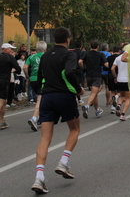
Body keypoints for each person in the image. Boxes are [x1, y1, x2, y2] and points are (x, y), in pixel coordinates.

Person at [31, 27, 84, 194]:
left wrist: (41, 90)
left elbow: (37, 79)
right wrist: (78, 89)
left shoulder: (45, 55)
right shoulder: (69, 55)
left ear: (53, 39)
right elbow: (69, 72)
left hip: (47, 97)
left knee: (45, 138)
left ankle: (39, 177)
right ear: (68, 39)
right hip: (64, 96)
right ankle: (63, 161)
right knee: (75, 128)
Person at [79, 40, 108, 118]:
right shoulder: (100, 54)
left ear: (90, 46)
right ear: (98, 47)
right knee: (94, 94)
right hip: (97, 76)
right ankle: (87, 106)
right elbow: (106, 64)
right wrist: (103, 64)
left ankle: (97, 110)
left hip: (88, 76)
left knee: (94, 94)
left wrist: (83, 67)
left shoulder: (86, 53)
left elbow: (80, 61)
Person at [24, 41, 47, 131]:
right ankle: (34, 118)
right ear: (45, 49)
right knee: (40, 100)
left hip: (33, 79)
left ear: (36, 49)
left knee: (40, 98)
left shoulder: (31, 56)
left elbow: (25, 67)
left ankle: (40, 118)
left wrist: (27, 76)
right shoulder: (46, 56)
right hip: (43, 79)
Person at [0, 43, 21, 129]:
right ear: (5, 49)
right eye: (10, 48)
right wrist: (13, 70)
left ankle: (1, 121)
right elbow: (18, 69)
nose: (12, 50)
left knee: (4, 102)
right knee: (2, 101)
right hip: (4, 81)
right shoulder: (9, 57)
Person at [111, 47, 130, 121]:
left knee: (122, 96)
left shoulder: (118, 58)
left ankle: (119, 105)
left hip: (119, 79)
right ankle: (122, 114)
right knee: (128, 98)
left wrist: (115, 77)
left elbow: (112, 68)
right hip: (127, 80)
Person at [73, 41, 85, 106]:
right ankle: (79, 99)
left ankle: (76, 98)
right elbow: (81, 61)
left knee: (75, 83)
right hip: (79, 70)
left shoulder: (72, 52)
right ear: (81, 46)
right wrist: (82, 68)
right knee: (79, 84)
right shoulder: (82, 52)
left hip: (73, 69)